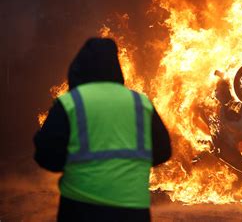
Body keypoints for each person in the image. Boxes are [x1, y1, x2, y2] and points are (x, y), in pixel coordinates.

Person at [34, 38, 171, 221]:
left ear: (78, 68)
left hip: (81, 210)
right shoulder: (140, 103)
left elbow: (47, 158)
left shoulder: (71, 103)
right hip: (132, 210)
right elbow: (163, 151)